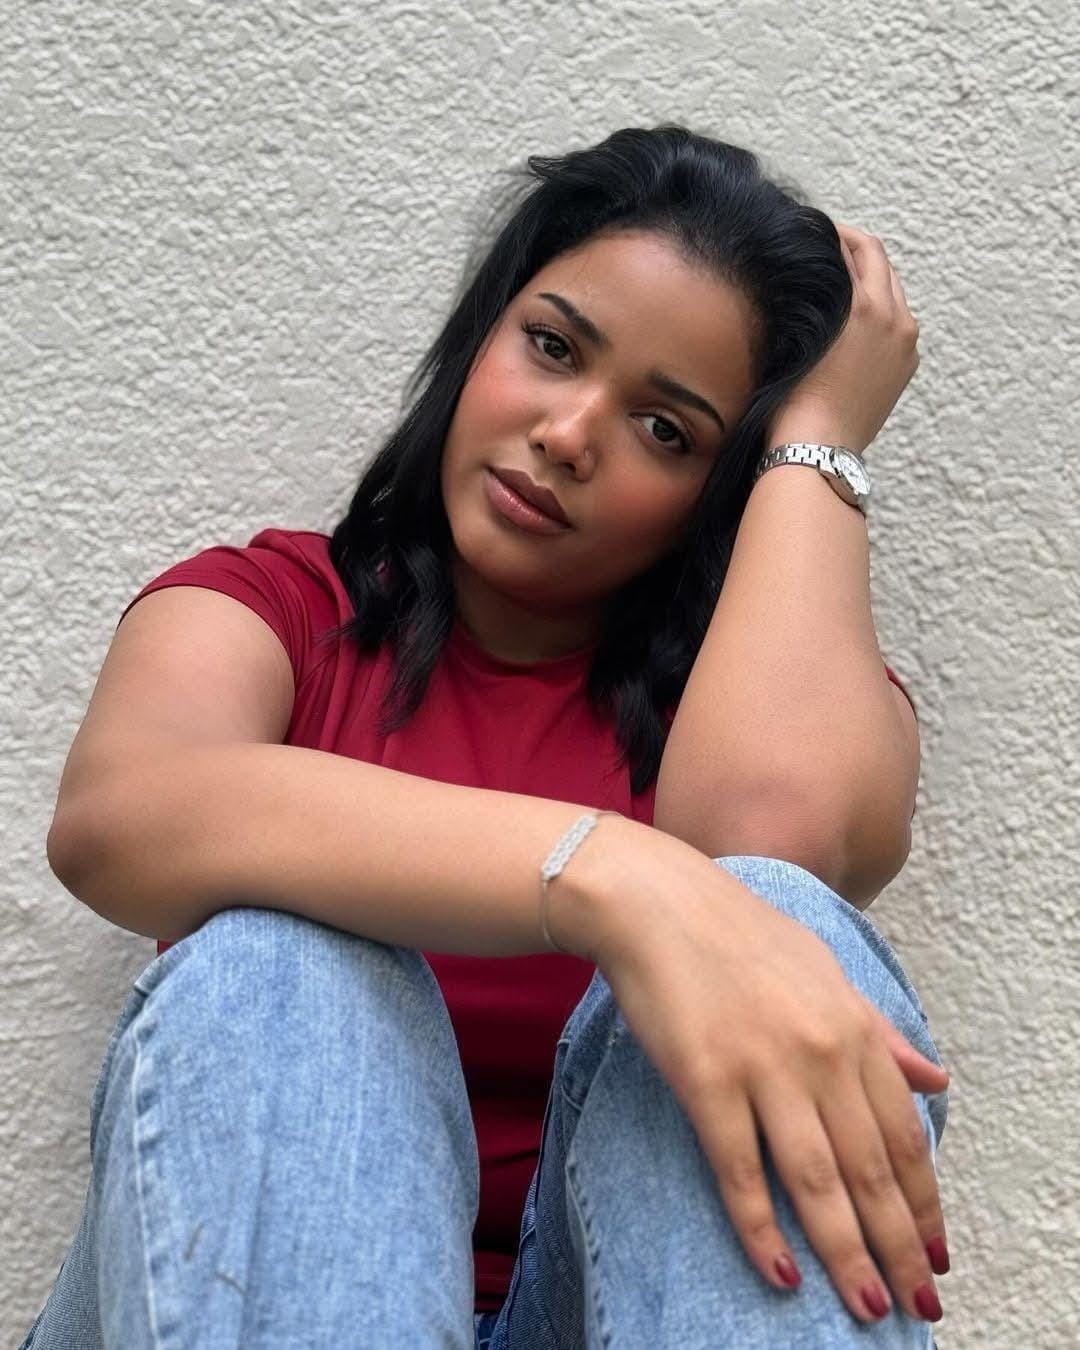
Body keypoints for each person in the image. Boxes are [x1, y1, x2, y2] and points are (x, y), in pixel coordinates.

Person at [23, 123, 949, 1348]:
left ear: (717, 492)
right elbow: (120, 816)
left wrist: (818, 434)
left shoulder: (759, 703)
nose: (568, 434)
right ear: (481, 335)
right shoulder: (276, 609)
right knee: (282, 967)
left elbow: (765, 845)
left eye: (667, 430)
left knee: (777, 915)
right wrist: (609, 877)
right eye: (552, 347)